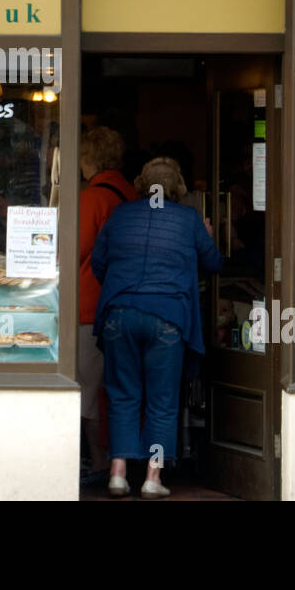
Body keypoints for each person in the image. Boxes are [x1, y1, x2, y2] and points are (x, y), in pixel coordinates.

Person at [91, 157, 222, 499]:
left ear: (141, 184)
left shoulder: (121, 214)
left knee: (122, 396)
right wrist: (206, 236)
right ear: (178, 187)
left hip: (121, 312)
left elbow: (99, 262)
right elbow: (214, 264)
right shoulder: (189, 219)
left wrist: (125, 286)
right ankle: (152, 476)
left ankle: (118, 474)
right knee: (163, 402)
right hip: (168, 317)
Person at [77, 126, 137, 485]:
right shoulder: (131, 194)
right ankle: (120, 461)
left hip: (91, 305)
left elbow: (73, 252)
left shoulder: (92, 198)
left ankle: (100, 463)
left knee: (90, 387)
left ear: (90, 159)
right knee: (119, 387)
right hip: (126, 304)